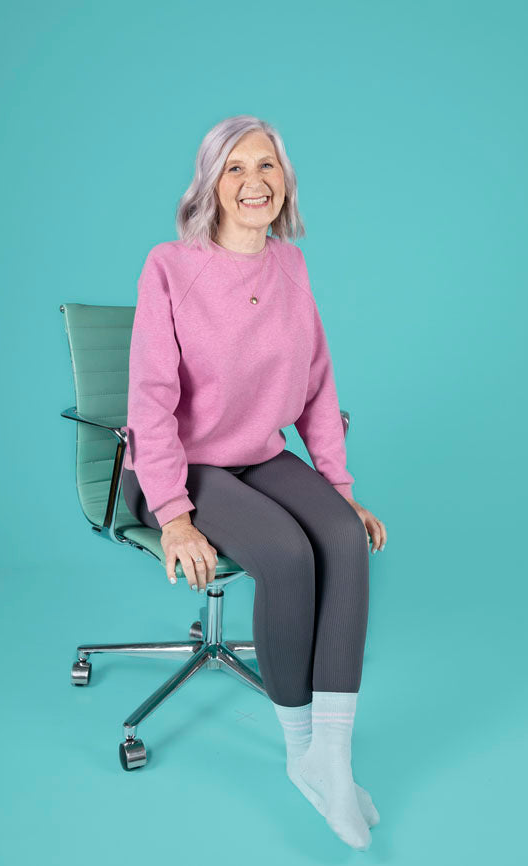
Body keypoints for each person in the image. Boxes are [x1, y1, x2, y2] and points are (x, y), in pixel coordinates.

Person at [121, 114, 387, 851]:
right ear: (210, 183)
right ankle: (301, 751)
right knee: (288, 554)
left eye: (266, 165)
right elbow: (149, 399)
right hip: (180, 467)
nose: (253, 182)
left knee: (342, 538)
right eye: (234, 168)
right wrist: (173, 513)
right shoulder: (169, 266)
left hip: (256, 455)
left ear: (285, 181)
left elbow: (318, 388)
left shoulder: (290, 266)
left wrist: (339, 489)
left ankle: (332, 758)